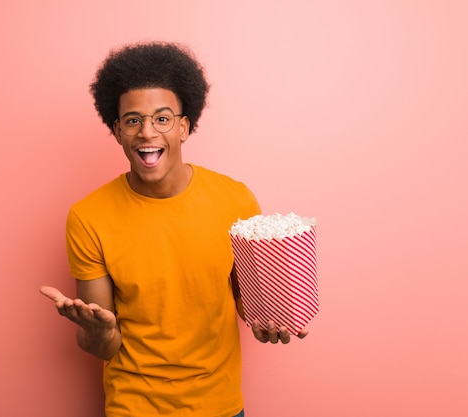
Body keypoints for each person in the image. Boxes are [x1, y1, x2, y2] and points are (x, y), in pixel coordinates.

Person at [40, 41, 308, 417]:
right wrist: (97, 333)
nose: (147, 132)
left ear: (184, 127)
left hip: (221, 406)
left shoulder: (236, 201)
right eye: (133, 120)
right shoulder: (88, 217)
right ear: (117, 131)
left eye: (162, 119)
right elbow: (104, 343)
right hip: (134, 407)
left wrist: (270, 319)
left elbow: (247, 301)